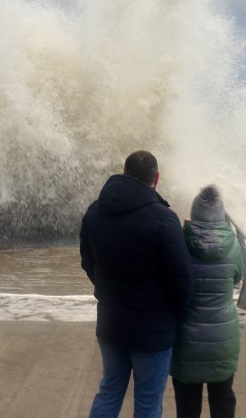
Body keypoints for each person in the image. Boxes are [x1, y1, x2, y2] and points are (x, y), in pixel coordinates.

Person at [80, 150, 195, 418]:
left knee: (109, 391)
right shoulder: (164, 219)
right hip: (152, 329)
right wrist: (174, 313)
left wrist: (107, 292)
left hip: (111, 322)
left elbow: (88, 262)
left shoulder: (95, 212)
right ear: (156, 178)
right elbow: (182, 280)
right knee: (148, 402)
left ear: (125, 172)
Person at [170, 185, 243, 418]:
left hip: (186, 339)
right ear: (221, 216)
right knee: (223, 401)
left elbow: (171, 283)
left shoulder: (179, 244)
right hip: (223, 339)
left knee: (187, 406)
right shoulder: (234, 247)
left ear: (193, 215)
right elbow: (237, 278)